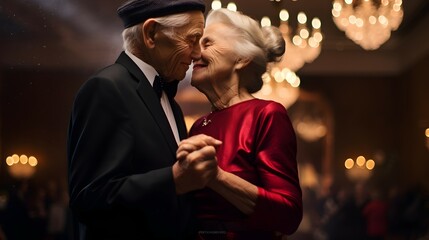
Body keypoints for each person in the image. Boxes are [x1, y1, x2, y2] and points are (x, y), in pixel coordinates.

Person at [67, 0, 222, 239]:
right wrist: (174, 180)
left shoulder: (171, 103)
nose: (197, 53)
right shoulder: (106, 88)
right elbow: (89, 198)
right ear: (151, 34)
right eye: (192, 39)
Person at [180, 8, 303, 239]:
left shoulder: (266, 114)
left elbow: (289, 215)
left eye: (208, 43)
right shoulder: (199, 126)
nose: (195, 52)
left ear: (242, 58)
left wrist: (217, 177)